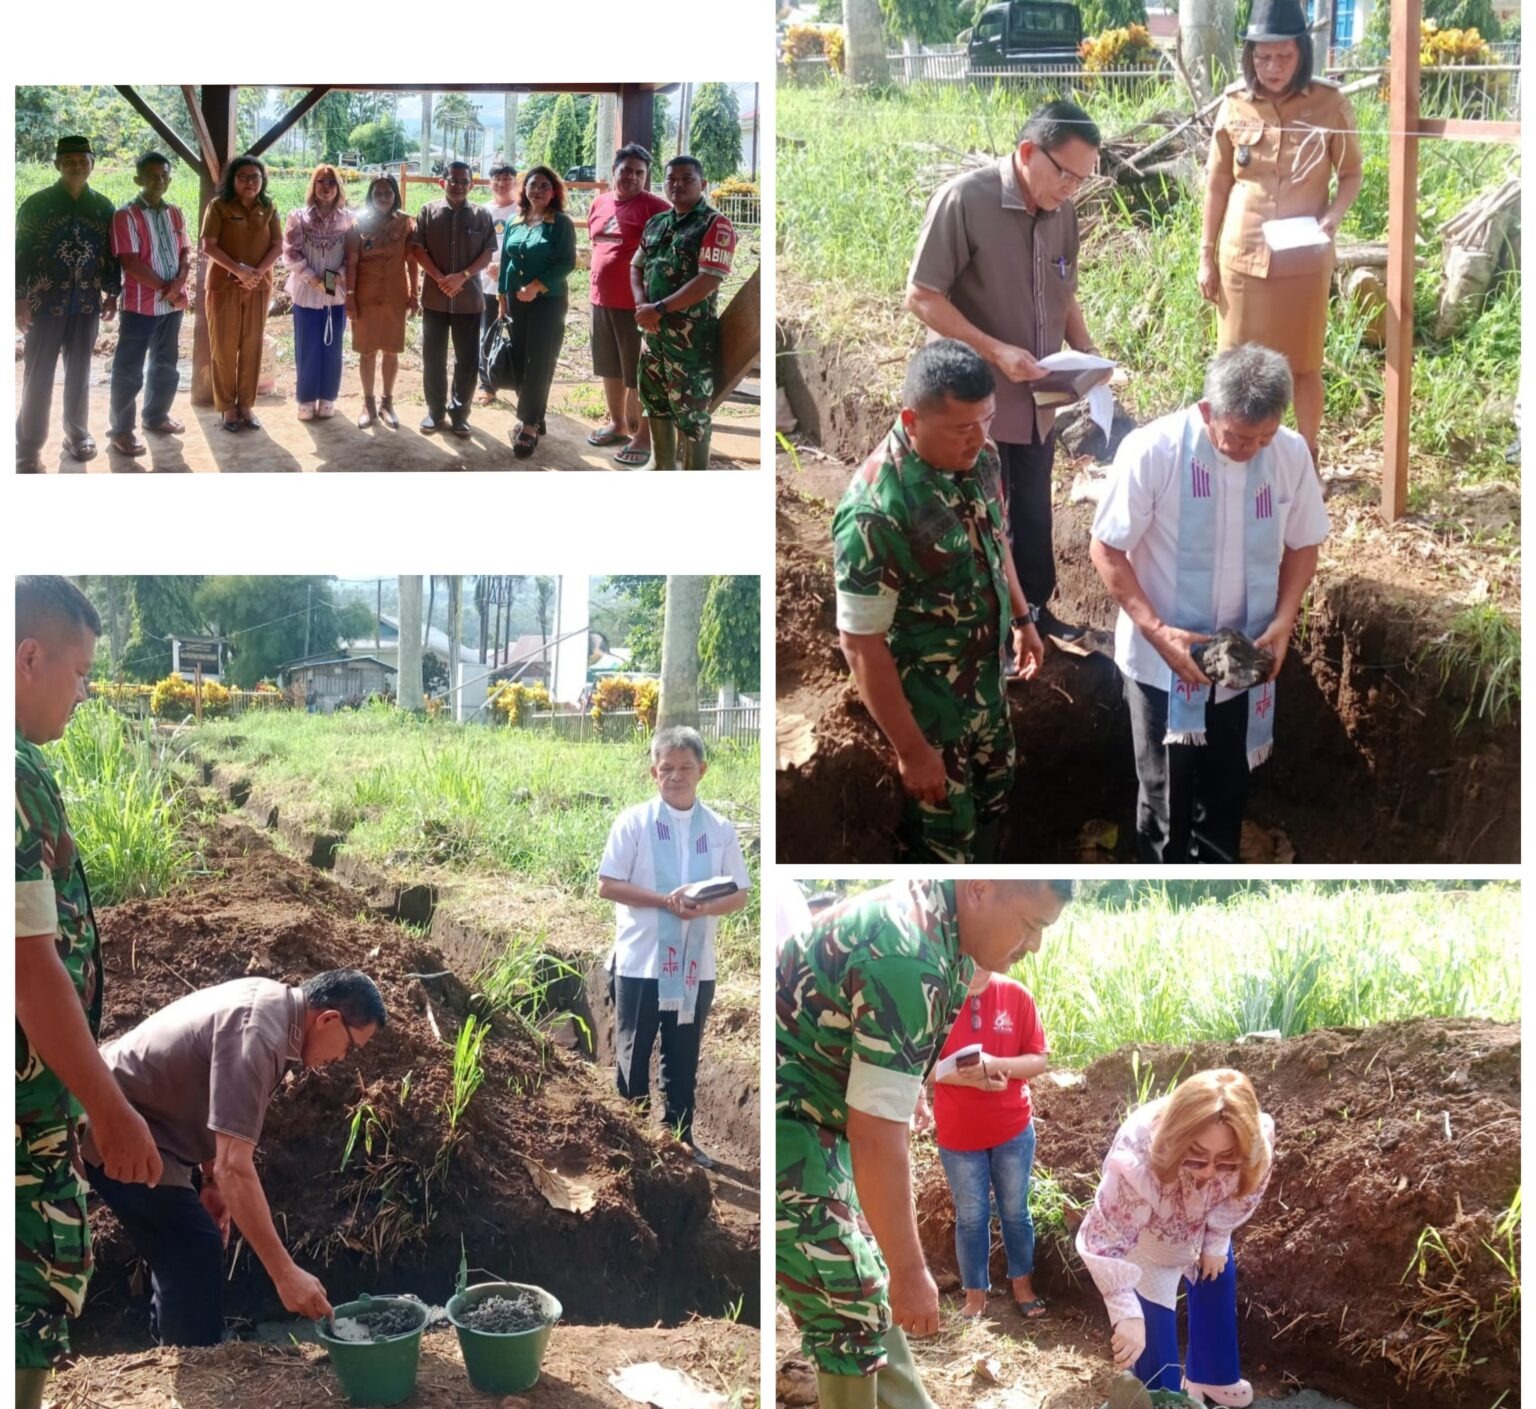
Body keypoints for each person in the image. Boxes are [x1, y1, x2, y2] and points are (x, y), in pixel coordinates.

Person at [776, 880, 1071, 1409]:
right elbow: (876, 1135)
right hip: (789, 1121)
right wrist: (911, 1273)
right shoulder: (908, 952)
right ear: (982, 889)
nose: (1034, 947)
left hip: (823, 1117)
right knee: (850, 1292)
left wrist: (904, 1084)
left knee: (864, 1269)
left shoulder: (952, 936)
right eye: (1030, 925)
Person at [1089, 344, 1329, 863]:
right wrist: (1158, 630)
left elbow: (1305, 540)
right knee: (1165, 800)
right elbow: (1106, 547)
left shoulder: (1286, 453)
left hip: (1245, 661)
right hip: (1162, 664)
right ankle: (1160, 897)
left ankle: (1215, 889)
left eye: (1263, 436)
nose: (1252, 449)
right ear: (1207, 410)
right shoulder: (1153, 451)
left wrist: (1285, 620)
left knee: (1228, 791)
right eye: (1240, 437)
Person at [16, 578, 164, 1409]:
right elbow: (30, 968)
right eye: (77, 672)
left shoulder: (25, 763)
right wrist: (106, 1109)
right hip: (22, 1115)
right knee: (26, 1289)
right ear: (28, 657)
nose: (84, 690)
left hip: (34, 1108)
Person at [82, 970, 387, 1345]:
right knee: (193, 1244)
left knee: (187, 1242)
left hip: (152, 1126)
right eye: (350, 1047)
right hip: (113, 1122)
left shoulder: (275, 1012)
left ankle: (179, 1345)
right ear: (328, 1019)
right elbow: (235, 1167)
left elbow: (217, 1107)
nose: (341, 1058)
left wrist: (209, 1180)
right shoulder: (261, 1034)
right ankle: (197, 1360)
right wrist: (285, 1273)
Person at [832, 340, 1046, 864]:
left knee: (997, 804)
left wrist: (1023, 618)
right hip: (929, 717)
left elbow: (996, 543)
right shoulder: (877, 510)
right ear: (912, 418)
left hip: (988, 695)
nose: (978, 438)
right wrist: (912, 751)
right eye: (961, 428)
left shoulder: (983, 458)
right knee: (947, 844)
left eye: (987, 421)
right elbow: (860, 643)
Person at [906, 100, 1103, 644]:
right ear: (1027, 152)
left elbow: (1065, 289)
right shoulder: (965, 201)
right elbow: (921, 297)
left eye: (1082, 179)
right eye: (1066, 174)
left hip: (1040, 396)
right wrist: (996, 352)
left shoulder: (1062, 211)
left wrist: (1086, 351)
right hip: (975, 403)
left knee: (1034, 511)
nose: (1072, 188)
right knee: (979, 517)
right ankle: (981, 630)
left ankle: (1037, 614)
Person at [1200, 0, 1362, 468]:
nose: (1272, 67)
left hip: (1303, 263)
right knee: (1232, 364)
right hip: (1241, 259)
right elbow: (1217, 183)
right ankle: (1228, 453)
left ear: (1302, 53)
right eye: (1262, 57)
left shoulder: (1328, 103)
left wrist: (1333, 216)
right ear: (1249, 55)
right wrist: (1206, 255)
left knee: (1305, 365)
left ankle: (1306, 460)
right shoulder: (1234, 103)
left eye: (1284, 57)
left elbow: (1351, 174)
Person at [597, 726, 750, 1168]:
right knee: (634, 1051)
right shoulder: (633, 822)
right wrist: (665, 901)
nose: (676, 776)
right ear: (653, 772)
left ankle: (681, 1139)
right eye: (667, 768)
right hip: (641, 963)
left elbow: (739, 895)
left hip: (694, 967)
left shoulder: (719, 829)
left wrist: (701, 908)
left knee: (683, 1055)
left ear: (702, 770)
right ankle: (630, 1141)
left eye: (686, 767)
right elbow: (608, 884)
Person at [1076, 1069, 1275, 1403]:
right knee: (1156, 1354)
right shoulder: (1137, 1156)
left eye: (1225, 1163)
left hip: (1202, 1225)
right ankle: (1162, 1393)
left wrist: (1216, 1240)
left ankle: (1212, 1377)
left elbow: (1242, 1193)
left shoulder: (1255, 1140)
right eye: (1196, 1158)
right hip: (1147, 1238)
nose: (1210, 1172)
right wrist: (1125, 1312)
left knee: (1218, 1275)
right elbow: (1106, 1238)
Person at [922, 965, 1049, 1321]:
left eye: (985, 958)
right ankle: (975, 1296)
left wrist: (995, 1064)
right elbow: (919, 1065)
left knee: (1015, 1212)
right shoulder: (938, 999)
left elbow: (1038, 1059)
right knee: (971, 1217)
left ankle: (1022, 1286)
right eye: (969, 958)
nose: (977, 967)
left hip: (1012, 1129)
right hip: (959, 1134)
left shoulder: (1017, 995)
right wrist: (968, 1080)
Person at [15, 136, 120, 471]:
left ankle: (77, 435)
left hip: (87, 302)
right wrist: (18, 298)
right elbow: (19, 255)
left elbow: (110, 255)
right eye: (69, 160)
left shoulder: (103, 207)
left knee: (79, 372)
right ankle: (28, 447)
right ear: (57, 164)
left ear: (92, 162)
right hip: (44, 303)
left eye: (83, 159)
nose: (77, 165)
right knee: (38, 375)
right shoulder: (36, 204)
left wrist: (112, 293)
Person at [630, 155, 737, 471]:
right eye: (671, 179)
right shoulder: (657, 223)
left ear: (702, 184)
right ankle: (662, 465)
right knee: (655, 400)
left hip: (689, 342)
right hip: (652, 333)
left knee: (692, 411)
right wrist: (642, 307)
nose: (677, 185)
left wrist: (658, 308)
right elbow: (636, 265)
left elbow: (708, 280)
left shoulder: (715, 225)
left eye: (686, 179)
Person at [587, 144, 669, 466]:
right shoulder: (598, 203)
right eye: (626, 170)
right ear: (614, 171)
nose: (632, 177)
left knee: (641, 373)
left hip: (637, 306)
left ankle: (643, 435)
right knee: (609, 368)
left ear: (646, 177)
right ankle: (619, 424)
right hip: (600, 300)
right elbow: (597, 246)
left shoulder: (656, 207)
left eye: (639, 173)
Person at [106, 152, 191, 458]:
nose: (160, 181)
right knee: (128, 369)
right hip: (139, 306)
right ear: (138, 179)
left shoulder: (176, 213)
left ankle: (156, 416)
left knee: (166, 364)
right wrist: (167, 289)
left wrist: (178, 283)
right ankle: (121, 430)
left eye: (165, 175)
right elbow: (130, 263)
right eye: (153, 176)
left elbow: (185, 254)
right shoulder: (125, 215)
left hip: (171, 305)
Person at [411, 160, 498, 437]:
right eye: (453, 180)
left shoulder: (481, 215)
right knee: (433, 358)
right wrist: (439, 278)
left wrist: (462, 275)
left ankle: (460, 413)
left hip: (468, 301)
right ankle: (435, 412)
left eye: (464, 181)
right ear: (442, 182)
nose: (458, 185)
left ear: (472, 184)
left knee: (467, 359)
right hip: (434, 300)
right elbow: (417, 249)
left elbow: (487, 252)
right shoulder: (428, 211)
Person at [499, 165, 577, 459]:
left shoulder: (561, 223)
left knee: (539, 360)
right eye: (533, 185)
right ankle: (535, 411)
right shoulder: (515, 221)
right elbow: (507, 258)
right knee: (519, 358)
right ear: (525, 189)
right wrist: (502, 297)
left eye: (544, 186)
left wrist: (536, 286)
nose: (538, 190)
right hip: (515, 300)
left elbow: (568, 262)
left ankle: (528, 424)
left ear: (554, 191)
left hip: (548, 301)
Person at [201, 154, 283, 434]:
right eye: (244, 177)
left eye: (255, 177)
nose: (250, 182)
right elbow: (208, 246)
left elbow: (277, 245)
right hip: (224, 287)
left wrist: (257, 272)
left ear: (262, 181)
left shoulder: (269, 206)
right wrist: (238, 270)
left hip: (259, 286)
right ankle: (227, 407)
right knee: (223, 348)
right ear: (232, 180)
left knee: (252, 346)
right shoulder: (219, 206)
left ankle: (246, 405)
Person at [344, 176, 418, 429]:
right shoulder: (358, 222)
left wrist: (414, 295)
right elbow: (351, 263)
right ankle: (368, 403)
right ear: (370, 195)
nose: (383, 197)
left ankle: (388, 403)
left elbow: (412, 261)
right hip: (365, 296)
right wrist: (350, 298)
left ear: (395, 195)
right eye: (378, 193)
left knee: (391, 350)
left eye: (388, 192)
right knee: (367, 351)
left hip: (395, 296)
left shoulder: (406, 223)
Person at [282, 164, 354, 422]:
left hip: (336, 295)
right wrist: (314, 281)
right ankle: (306, 398)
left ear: (338, 187)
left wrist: (331, 283)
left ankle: (327, 397)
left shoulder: (348, 219)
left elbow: (352, 256)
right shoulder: (298, 217)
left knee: (333, 347)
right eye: (321, 182)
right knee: (307, 346)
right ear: (313, 185)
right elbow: (290, 253)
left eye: (331, 182)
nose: (326, 187)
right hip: (305, 293)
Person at [476, 163, 520, 406]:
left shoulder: (523, 209)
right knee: (487, 333)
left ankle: (518, 383)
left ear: (515, 181)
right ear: (489, 183)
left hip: (515, 283)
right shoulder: (483, 211)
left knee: (517, 333)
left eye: (507, 178)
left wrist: (504, 268)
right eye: (498, 179)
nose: (502, 183)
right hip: (485, 283)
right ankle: (487, 385)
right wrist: (487, 267)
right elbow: (475, 246)